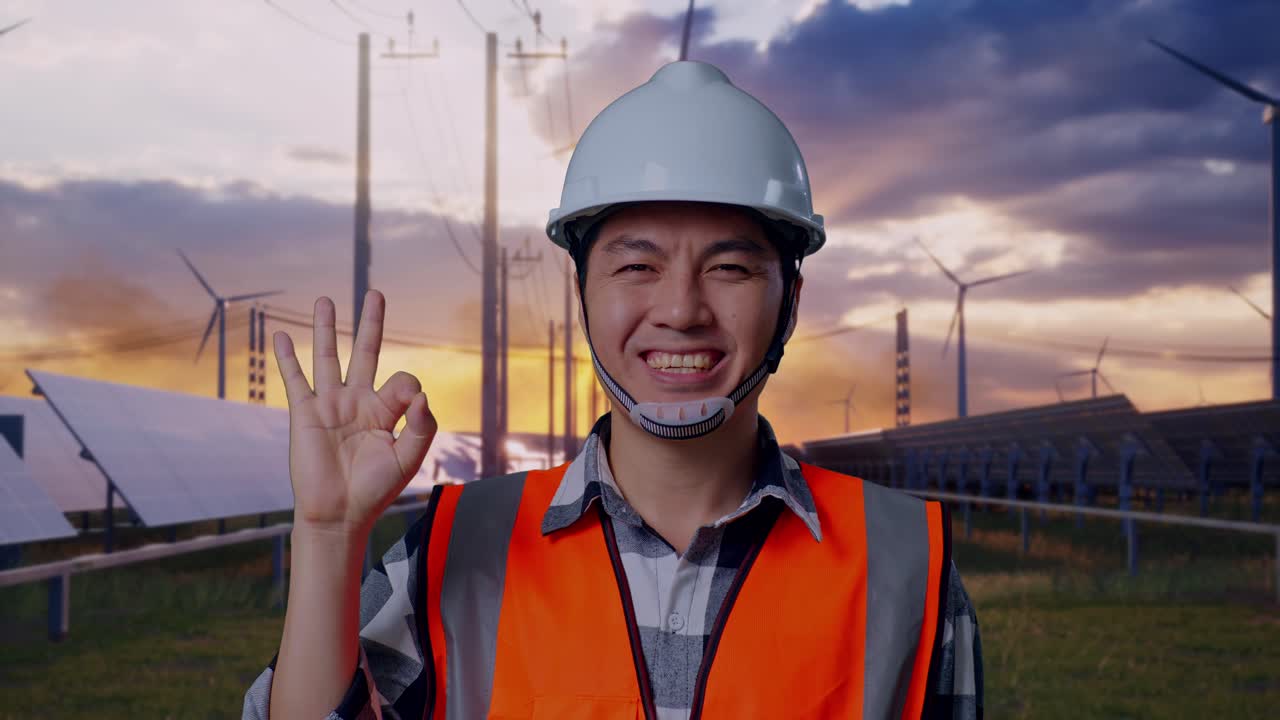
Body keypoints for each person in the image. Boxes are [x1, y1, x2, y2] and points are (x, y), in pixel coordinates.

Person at [244, 60, 982, 720]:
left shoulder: (905, 565)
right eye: (637, 266)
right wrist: (329, 536)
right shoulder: (457, 546)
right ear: (583, 294)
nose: (682, 310)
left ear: (790, 300)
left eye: (730, 268)